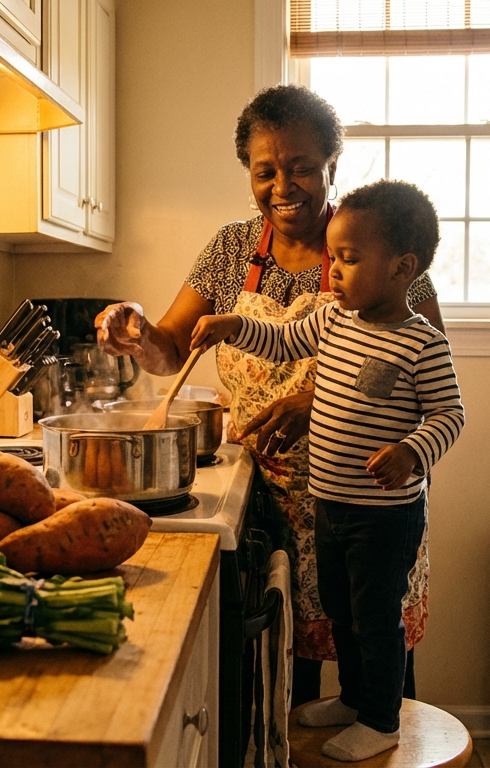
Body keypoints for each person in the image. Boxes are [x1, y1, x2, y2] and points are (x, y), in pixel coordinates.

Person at [96, 84, 445, 703]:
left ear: (333, 165)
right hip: (270, 502)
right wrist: (136, 331)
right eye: (266, 171)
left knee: (376, 654)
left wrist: (317, 400)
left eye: (302, 167)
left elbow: (423, 374)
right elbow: (174, 350)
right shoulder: (231, 251)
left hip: (369, 501)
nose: (283, 186)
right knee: (288, 680)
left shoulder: (378, 247)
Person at [192, 180, 464, 762]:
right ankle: (352, 698)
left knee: (375, 620)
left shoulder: (422, 345)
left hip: (385, 517)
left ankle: (382, 719)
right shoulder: (336, 321)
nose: (333, 272)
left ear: (402, 268)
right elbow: (283, 339)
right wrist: (232, 326)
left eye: (348, 259)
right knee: (341, 610)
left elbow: (450, 414)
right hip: (330, 505)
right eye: (332, 258)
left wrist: (413, 451)